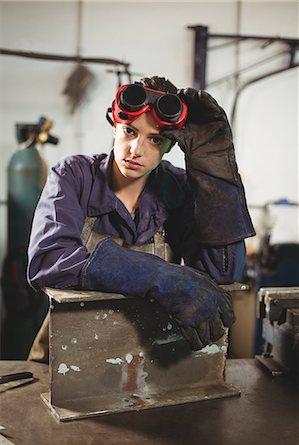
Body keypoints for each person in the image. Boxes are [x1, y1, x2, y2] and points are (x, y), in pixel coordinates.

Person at [27, 76, 255, 356]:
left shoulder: (179, 189)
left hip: (146, 358)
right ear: (114, 126)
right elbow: (48, 260)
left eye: (155, 139)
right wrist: (159, 275)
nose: (136, 150)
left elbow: (222, 272)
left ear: (171, 145)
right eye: (130, 132)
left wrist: (212, 167)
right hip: (66, 354)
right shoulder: (74, 176)